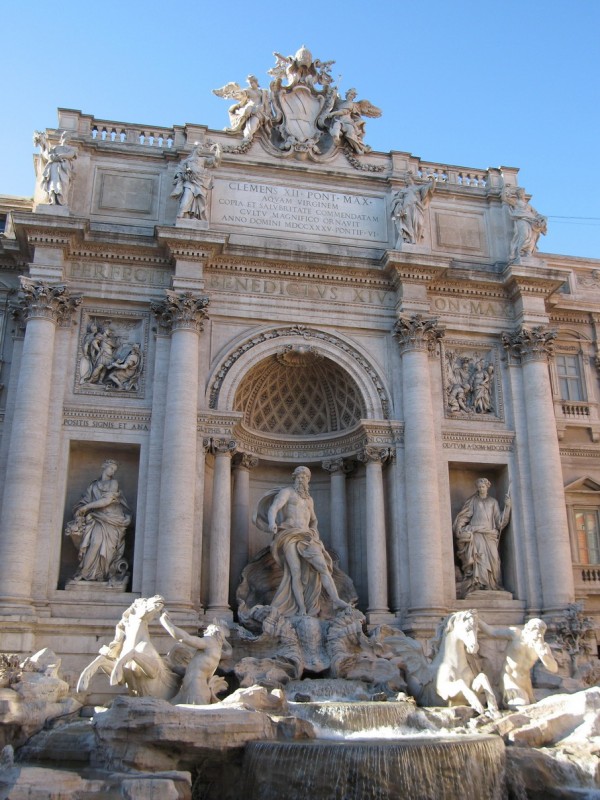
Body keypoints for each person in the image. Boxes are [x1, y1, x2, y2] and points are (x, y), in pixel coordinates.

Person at [254, 466, 348, 617]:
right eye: (298, 476)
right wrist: (272, 522)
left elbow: (314, 520)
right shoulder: (287, 492)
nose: (301, 479)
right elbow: (274, 508)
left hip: (306, 536)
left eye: (304, 477)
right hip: (289, 534)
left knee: (323, 567)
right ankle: (301, 609)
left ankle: (336, 599)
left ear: (308, 480)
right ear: (294, 478)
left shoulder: (309, 500)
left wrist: (314, 533)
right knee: (295, 572)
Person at [66, 460, 132, 583]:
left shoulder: (114, 483)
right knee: (95, 543)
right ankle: (84, 572)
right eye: (111, 468)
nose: (112, 471)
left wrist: (87, 507)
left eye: (114, 470)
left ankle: (104, 575)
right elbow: (84, 501)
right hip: (97, 518)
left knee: (109, 549)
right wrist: (80, 509)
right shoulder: (93, 486)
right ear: (104, 467)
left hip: (112, 520)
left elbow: (106, 501)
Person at [478, 617, 558, 707]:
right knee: (522, 704)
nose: (540, 635)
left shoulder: (541, 646)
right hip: (509, 679)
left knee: (534, 704)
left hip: (526, 683)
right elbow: (492, 632)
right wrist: (477, 620)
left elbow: (554, 669)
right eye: (537, 630)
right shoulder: (516, 634)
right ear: (528, 629)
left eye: (542, 632)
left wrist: (545, 657)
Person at [453, 478, 511, 595]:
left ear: (487, 487)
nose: (481, 489)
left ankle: (492, 584)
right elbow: (465, 516)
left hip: (490, 534)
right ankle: (479, 585)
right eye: (479, 487)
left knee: (494, 559)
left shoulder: (493, 502)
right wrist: (459, 527)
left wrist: (508, 507)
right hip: (477, 533)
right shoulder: (473, 501)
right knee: (480, 558)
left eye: (483, 487)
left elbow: (499, 522)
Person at [160, 612, 231, 704]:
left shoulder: (209, 642)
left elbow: (185, 638)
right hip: (194, 687)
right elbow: (194, 668)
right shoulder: (216, 650)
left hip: (195, 688)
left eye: (207, 630)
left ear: (213, 632)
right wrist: (172, 667)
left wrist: (165, 622)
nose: (205, 632)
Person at [502, 186, 547, 262]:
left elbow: (536, 214)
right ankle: (519, 252)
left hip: (531, 221)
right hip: (521, 219)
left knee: (532, 237)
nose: (521, 194)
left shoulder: (528, 205)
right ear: (517, 194)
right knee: (524, 234)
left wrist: (543, 218)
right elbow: (504, 198)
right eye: (519, 193)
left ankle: (528, 252)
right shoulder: (516, 202)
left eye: (522, 193)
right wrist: (505, 189)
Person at [34, 130, 77, 205]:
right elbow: (47, 155)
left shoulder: (71, 149)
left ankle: (62, 201)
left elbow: (71, 154)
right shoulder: (55, 148)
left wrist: (61, 156)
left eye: (69, 137)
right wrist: (43, 143)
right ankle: (52, 200)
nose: (67, 138)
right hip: (54, 166)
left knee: (64, 183)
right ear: (62, 137)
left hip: (64, 168)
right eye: (66, 136)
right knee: (53, 183)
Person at [391, 174, 436, 245]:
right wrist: (399, 206)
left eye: (408, 178)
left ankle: (416, 238)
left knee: (419, 223)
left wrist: (433, 180)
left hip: (416, 207)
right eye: (405, 179)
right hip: (406, 208)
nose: (407, 180)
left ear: (412, 179)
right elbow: (396, 199)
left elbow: (429, 189)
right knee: (408, 225)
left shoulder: (418, 188)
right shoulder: (403, 190)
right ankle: (410, 239)